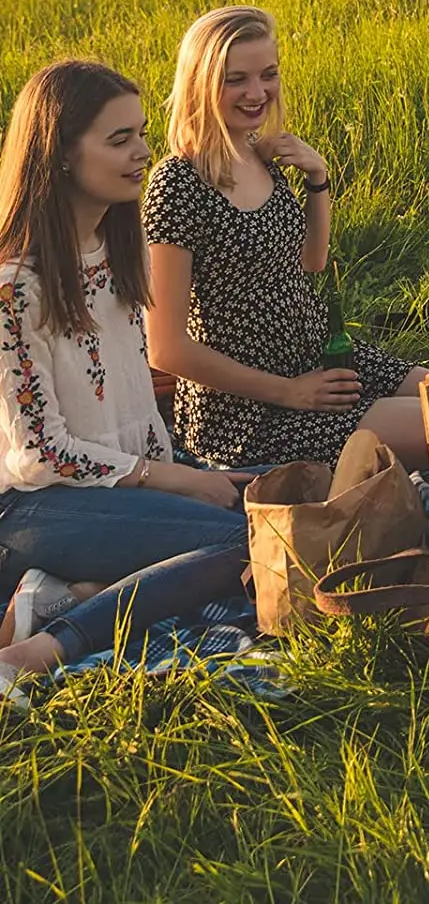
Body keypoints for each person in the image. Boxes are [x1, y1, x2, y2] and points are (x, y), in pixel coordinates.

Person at [0, 62, 251, 707]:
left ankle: (73, 592)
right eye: (119, 140)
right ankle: (47, 646)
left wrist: (186, 470)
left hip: (123, 483)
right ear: (57, 154)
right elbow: (41, 453)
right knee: (240, 543)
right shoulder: (13, 286)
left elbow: (134, 399)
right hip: (34, 505)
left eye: (140, 133)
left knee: (280, 511)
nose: (143, 153)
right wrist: (176, 480)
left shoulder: (118, 250)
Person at [143, 7, 428, 469]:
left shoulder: (260, 156)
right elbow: (166, 348)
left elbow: (310, 263)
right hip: (250, 414)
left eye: (268, 75)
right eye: (237, 79)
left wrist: (318, 178)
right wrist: (291, 392)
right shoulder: (178, 185)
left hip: (321, 360)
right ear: (201, 83)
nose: (257, 93)